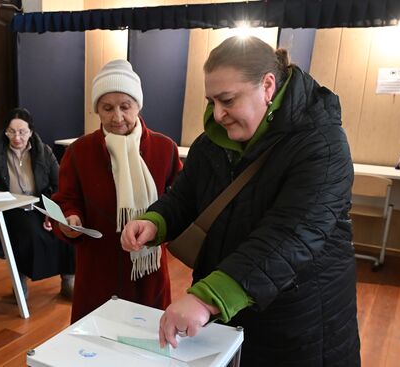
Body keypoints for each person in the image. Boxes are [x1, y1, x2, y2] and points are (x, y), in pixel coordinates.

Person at [121, 36, 360, 366]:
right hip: (227, 303)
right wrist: (155, 221)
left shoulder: (321, 144)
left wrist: (207, 299)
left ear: (267, 85)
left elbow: (291, 235)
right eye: (211, 101)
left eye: (227, 100)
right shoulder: (212, 143)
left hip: (298, 316)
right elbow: (185, 197)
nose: (218, 114)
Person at [51, 59, 183, 323]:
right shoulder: (80, 151)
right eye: (107, 108)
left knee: (146, 345)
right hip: (97, 266)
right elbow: (66, 200)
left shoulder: (164, 148)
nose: (117, 117)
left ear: (138, 106)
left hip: (148, 269)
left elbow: (180, 200)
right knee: (95, 345)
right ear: (96, 110)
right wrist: (69, 219)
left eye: (125, 106)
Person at [0, 108, 75, 299]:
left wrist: (52, 210)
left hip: (40, 204)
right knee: (28, 231)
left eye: (22, 132)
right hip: (10, 208)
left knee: (67, 227)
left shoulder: (44, 151)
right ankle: (19, 281)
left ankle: (68, 280)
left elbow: (60, 182)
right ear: (5, 131)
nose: (17, 137)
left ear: (31, 132)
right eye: (11, 131)